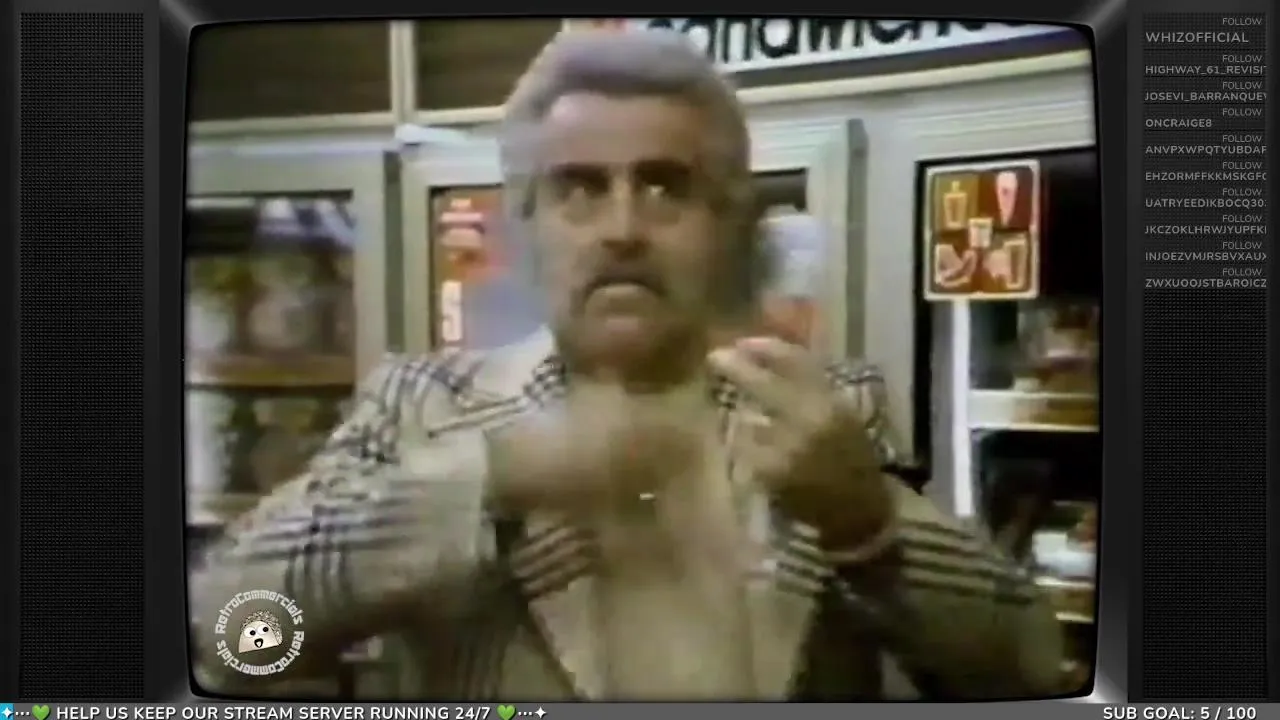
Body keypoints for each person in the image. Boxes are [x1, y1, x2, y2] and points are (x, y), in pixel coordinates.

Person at [192, 29, 1063, 700]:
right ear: (526, 223)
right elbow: (233, 638)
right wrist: (493, 476)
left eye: (665, 186)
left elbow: (1023, 668)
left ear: (726, 222)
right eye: (579, 188)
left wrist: (864, 522)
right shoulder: (424, 405)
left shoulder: (823, 408)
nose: (622, 229)